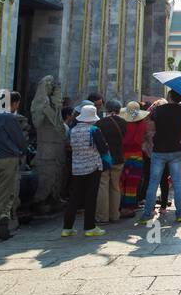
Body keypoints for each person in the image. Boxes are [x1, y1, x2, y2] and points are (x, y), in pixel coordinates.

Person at [136, 90, 181, 226]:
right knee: (177, 183)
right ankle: (179, 214)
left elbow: (151, 127)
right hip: (175, 150)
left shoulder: (158, 110)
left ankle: (147, 214)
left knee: (153, 183)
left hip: (159, 150)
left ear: (169, 96)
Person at [0, 91, 28, 242]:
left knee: (3, 191)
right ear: (14, 103)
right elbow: (19, 139)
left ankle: (3, 220)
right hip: (9, 159)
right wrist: (24, 150)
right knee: (4, 194)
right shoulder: (8, 117)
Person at [62, 104, 110, 238]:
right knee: (90, 197)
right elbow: (103, 149)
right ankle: (90, 227)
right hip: (93, 166)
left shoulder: (73, 130)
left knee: (74, 198)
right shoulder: (94, 130)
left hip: (77, 167)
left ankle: (67, 228)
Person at [94, 100, 126, 224]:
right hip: (118, 157)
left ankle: (102, 216)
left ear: (107, 109)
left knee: (103, 185)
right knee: (115, 186)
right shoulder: (123, 123)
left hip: (105, 158)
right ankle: (114, 214)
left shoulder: (100, 123)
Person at [119, 101, 150, 215]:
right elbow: (140, 140)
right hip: (136, 155)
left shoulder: (122, 123)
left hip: (123, 155)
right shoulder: (142, 124)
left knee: (122, 181)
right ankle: (129, 207)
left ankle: (120, 206)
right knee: (132, 183)